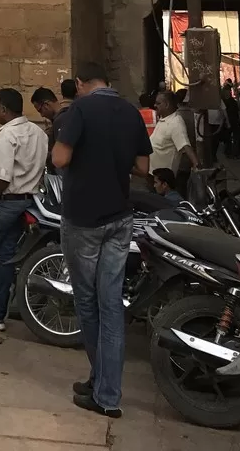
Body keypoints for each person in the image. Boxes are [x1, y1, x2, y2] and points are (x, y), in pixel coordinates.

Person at [52, 62, 153, 419]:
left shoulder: (80, 110)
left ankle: (104, 390)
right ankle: (103, 386)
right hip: (119, 218)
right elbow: (143, 167)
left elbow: (60, 157)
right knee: (111, 305)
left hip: (83, 219)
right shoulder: (130, 111)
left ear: (81, 84)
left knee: (87, 301)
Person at [0, 87, 47, 332]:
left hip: (4, 202)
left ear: (4, 109)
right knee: (6, 256)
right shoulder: (39, 133)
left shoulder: (6, 137)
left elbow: (2, 178)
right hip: (27, 201)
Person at [150, 89, 198, 176]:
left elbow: (185, 145)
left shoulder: (176, 122)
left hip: (163, 178)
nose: (154, 105)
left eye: (158, 103)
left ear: (167, 105)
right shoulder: (163, 119)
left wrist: (196, 164)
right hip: (152, 173)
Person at [31, 83, 74, 161]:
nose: (42, 115)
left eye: (40, 110)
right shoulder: (69, 114)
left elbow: (61, 153)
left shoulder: (60, 120)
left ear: (46, 105)